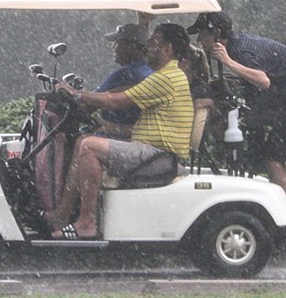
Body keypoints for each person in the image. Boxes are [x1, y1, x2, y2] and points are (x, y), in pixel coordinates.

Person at [46, 23, 194, 239]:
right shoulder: (164, 76)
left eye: (153, 44)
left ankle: (86, 223)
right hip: (154, 152)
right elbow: (121, 95)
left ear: (167, 49)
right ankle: (62, 214)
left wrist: (75, 94)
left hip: (159, 157)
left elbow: (115, 101)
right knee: (83, 141)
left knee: (89, 146)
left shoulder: (166, 78)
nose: (148, 49)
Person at [186, 11, 286, 193]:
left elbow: (263, 81)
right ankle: (260, 181)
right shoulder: (237, 46)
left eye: (203, 34)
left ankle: (279, 209)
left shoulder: (239, 51)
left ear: (217, 33)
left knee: (275, 156)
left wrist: (227, 61)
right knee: (250, 132)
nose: (199, 40)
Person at [92, 24, 153, 138]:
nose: (113, 46)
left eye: (118, 42)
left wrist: (75, 94)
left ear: (131, 46)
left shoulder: (126, 74)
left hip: (116, 138)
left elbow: (91, 101)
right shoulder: (150, 71)